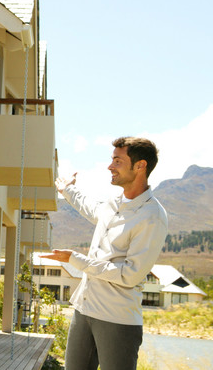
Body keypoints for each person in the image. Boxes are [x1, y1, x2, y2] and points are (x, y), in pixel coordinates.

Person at [41, 137, 168, 370]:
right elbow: (91, 208)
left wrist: (76, 260)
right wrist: (67, 190)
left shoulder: (153, 217)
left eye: (118, 161)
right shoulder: (113, 203)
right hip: (84, 310)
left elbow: (130, 275)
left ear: (140, 166)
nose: (110, 166)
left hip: (117, 320)